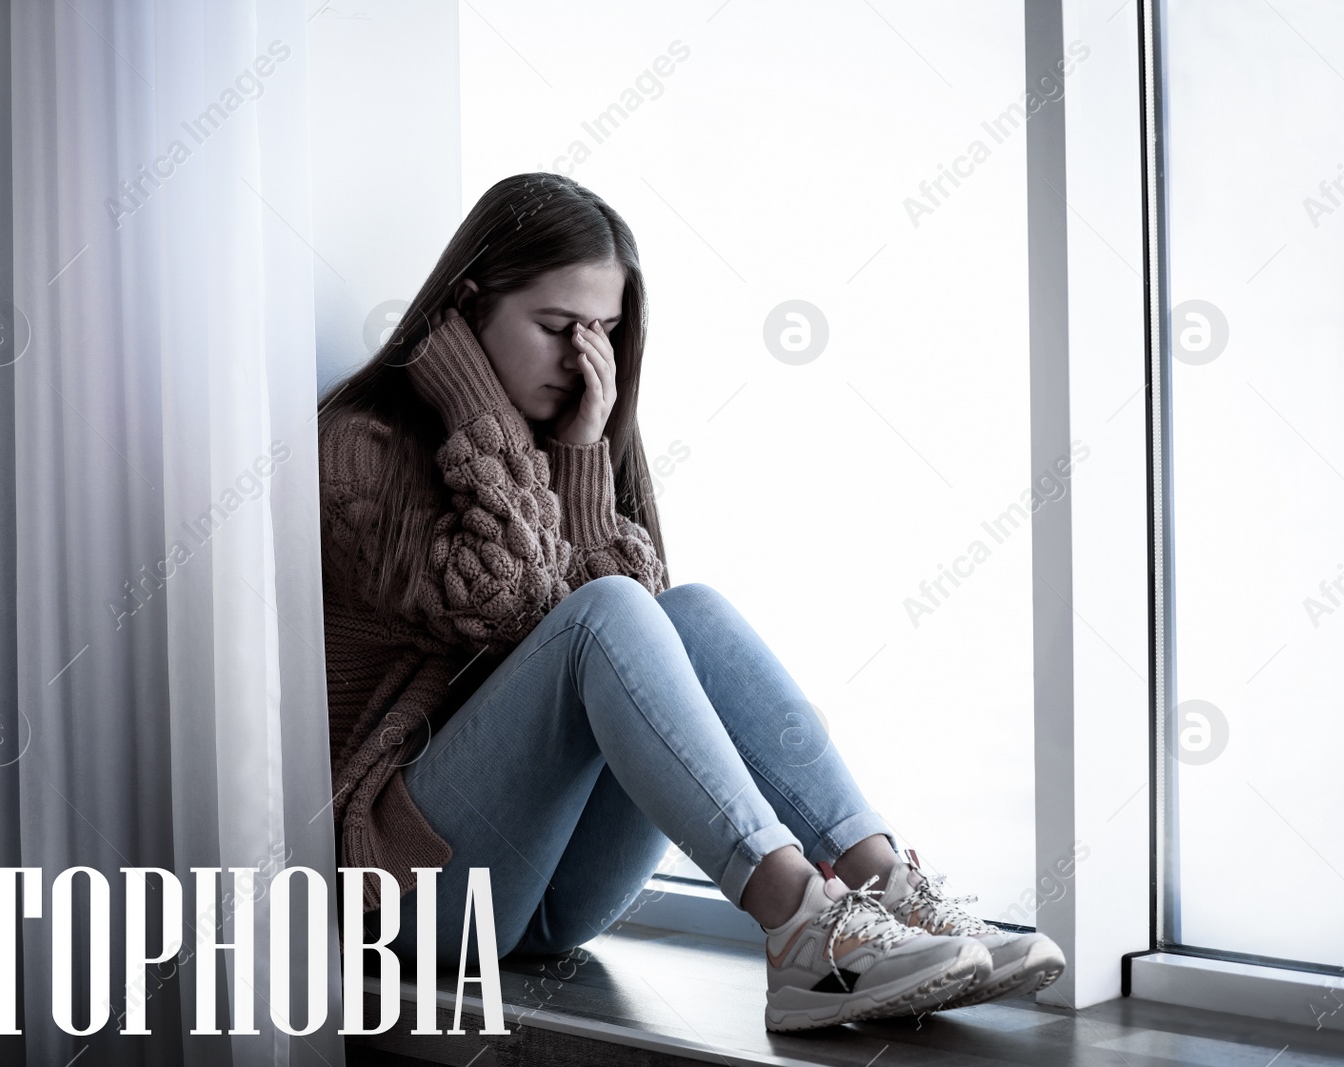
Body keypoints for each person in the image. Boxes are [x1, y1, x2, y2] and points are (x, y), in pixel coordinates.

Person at [318, 172, 1065, 1031]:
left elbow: (640, 666)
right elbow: (529, 606)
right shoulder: (354, 453)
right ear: (466, 303)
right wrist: (499, 414)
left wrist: (578, 459)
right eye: (559, 328)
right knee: (611, 612)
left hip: (546, 901)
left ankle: (882, 888)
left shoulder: (556, 449)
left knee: (690, 613)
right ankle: (798, 926)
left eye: (604, 331)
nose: (585, 361)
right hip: (407, 898)